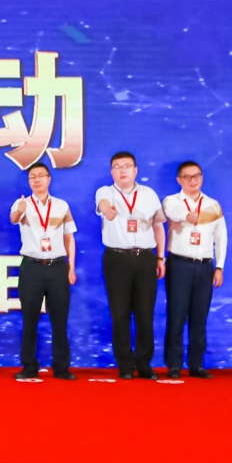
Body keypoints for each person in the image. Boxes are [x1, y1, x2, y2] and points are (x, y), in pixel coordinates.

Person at [95, 151, 166, 379]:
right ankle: (125, 365)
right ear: (111, 172)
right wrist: (108, 210)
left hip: (145, 258)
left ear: (135, 171)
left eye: (126, 166)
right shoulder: (105, 192)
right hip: (116, 259)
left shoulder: (149, 194)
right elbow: (103, 204)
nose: (122, 170)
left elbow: (158, 226)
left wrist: (160, 257)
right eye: (117, 167)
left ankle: (144, 364)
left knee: (145, 313)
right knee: (120, 314)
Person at [10, 162, 77, 380]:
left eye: (41, 175)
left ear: (49, 179)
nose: (37, 180)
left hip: (57, 267)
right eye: (32, 177)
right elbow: (13, 219)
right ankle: (29, 366)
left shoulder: (61, 205)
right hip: (32, 267)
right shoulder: (21, 203)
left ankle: (62, 368)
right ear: (29, 181)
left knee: (60, 320)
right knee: (30, 320)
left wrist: (71, 266)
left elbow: (69, 237)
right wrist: (20, 211)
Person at [162, 161, 227, 379]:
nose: (193, 180)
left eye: (196, 176)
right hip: (179, 265)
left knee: (200, 316)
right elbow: (172, 212)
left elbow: (221, 238)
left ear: (202, 178)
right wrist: (187, 216)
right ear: (179, 180)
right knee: (177, 314)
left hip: (205, 266)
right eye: (187, 177)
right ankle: (174, 364)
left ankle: (196, 364)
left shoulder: (213, 205)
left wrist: (219, 266)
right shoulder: (172, 201)